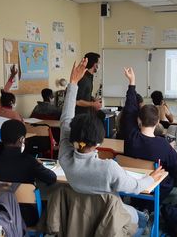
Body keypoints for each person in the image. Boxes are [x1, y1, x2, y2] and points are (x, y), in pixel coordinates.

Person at [59, 59, 166, 236]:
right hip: (109, 221)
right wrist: (152, 178)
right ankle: (146, 221)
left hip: (82, 218)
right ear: (99, 144)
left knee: (132, 211)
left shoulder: (65, 158)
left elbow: (65, 121)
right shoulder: (108, 168)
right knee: (139, 218)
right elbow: (136, 187)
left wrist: (73, 84)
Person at [122, 67, 177, 201]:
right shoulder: (163, 144)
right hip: (153, 185)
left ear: (138, 120)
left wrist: (132, 82)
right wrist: (172, 148)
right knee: (170, 176)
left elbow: (129, 108)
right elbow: (173, 163)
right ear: (158, 121)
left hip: (131, 180)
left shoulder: (130, 136)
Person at [0, 119, 57, 226]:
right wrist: (40, 166)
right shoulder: (29, 161)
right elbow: (52, 178)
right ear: (21, 139)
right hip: (24, 216)